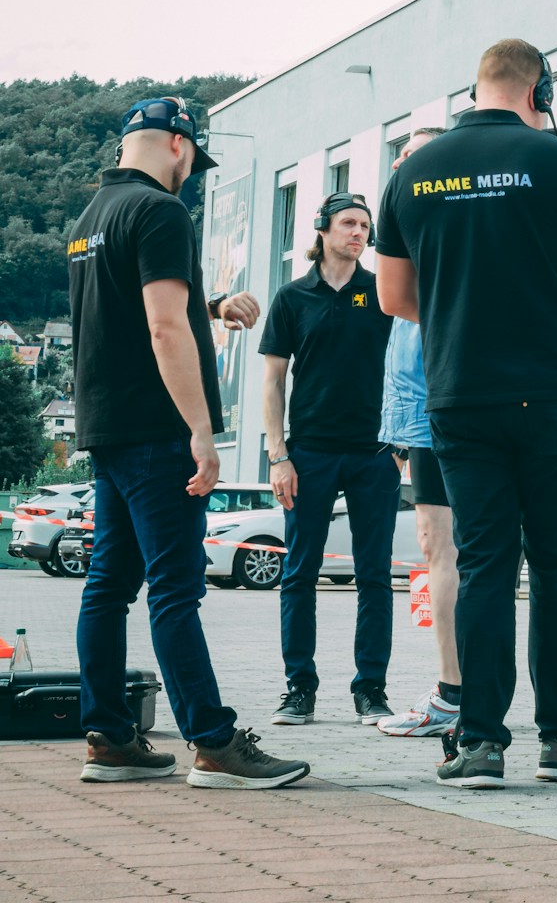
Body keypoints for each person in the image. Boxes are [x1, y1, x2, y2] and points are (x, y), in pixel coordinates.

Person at [377, 38, 557, 788]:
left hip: (461, 393)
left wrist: (466, 311)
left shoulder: (412, 171)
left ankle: (481, 743)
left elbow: (394, 298)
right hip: (551, 392)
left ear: (476, 89)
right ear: (538, 91)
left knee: (486, 565)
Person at [69, 96, 309, 789]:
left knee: (108, 586)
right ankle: (213, 742)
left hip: (106, 425)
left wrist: (211, 305)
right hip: (158, 428)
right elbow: (161, 326)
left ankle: (109, 738)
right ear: (179, 145)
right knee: (175, 588)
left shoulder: (90, 220)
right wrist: (201, 431)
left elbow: (131, 309)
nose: (191, 177)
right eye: (194, 162)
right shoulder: (162, 211)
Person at [259, 189, 397, 728]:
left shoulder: (383, 292)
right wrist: (278, 455)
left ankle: (371, 690)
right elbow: (273, 381)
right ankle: (299, 688)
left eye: (364, 225)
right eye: (348, 223)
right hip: (309, 453)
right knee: (299, 573)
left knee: (374, 576)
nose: (359, 232)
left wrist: (401, 446)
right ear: (322, 229)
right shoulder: (292, 297)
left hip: (375, 452)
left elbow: (407, 366)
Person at [371, 126, 463, 739]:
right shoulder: (407, 221)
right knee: (437, 546)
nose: (402, 166)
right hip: (418, 410)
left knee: (453, 549)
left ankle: (457, 694)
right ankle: (456, 690)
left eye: (415, 156)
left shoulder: (447, 221)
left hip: (450, 399)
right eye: (399, 157)